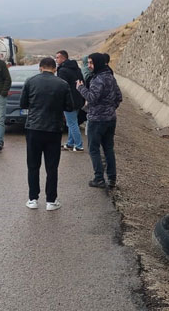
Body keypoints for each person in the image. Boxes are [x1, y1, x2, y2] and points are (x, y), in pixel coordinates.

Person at [20, 57, 73, 210]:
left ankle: (32, 199)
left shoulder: (30, 81)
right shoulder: (62, 84)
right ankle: (51, 200)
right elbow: (69, 107)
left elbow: (23, 104)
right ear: (54, 68)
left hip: (33, 128)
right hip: (53, 129)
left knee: (33, 165)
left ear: (40, 67)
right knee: (52, 166)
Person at [77, 52, 122, 188]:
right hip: (110, 119)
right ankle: (112, 178)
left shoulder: (97, 80)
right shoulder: (110, 77)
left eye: (91, 63)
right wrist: (110, 109)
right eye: (88, 63)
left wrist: (80, 88)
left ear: (97, 63)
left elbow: (91, 98)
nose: (89, 66)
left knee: (94, 149)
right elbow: (119, 97)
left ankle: (99, 179)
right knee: (108, 148)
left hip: (97, 120)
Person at [54, 49, 85, 152]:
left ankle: (79, 145)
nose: (56, 59)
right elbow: (82, 82)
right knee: (72, 122)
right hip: (78, 98)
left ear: (63, 58)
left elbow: (61, 87)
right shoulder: (77, 68)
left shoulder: (62, 70)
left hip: (69, 101)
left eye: (57, 57)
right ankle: (70, 144)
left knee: (72, 123)